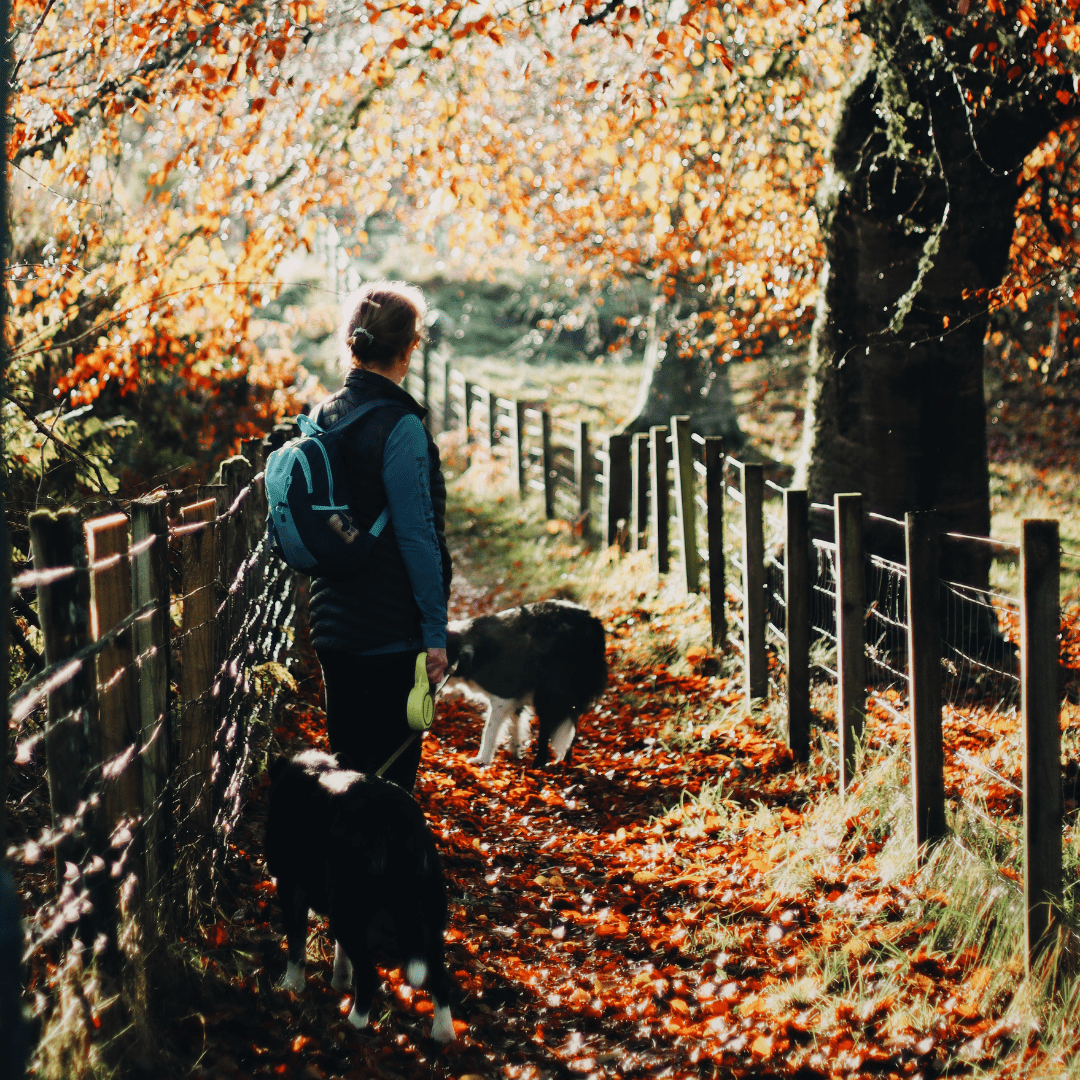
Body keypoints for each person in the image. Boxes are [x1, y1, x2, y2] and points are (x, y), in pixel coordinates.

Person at [308, 280, 451, 790]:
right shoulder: (402, 427)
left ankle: (341, 869)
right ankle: (382, 871)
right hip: (390, 633)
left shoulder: (322, 417)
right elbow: (417, 538)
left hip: (332, 629)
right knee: (389, 786)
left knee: (347, 776)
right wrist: (435, 634)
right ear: (410, 347)